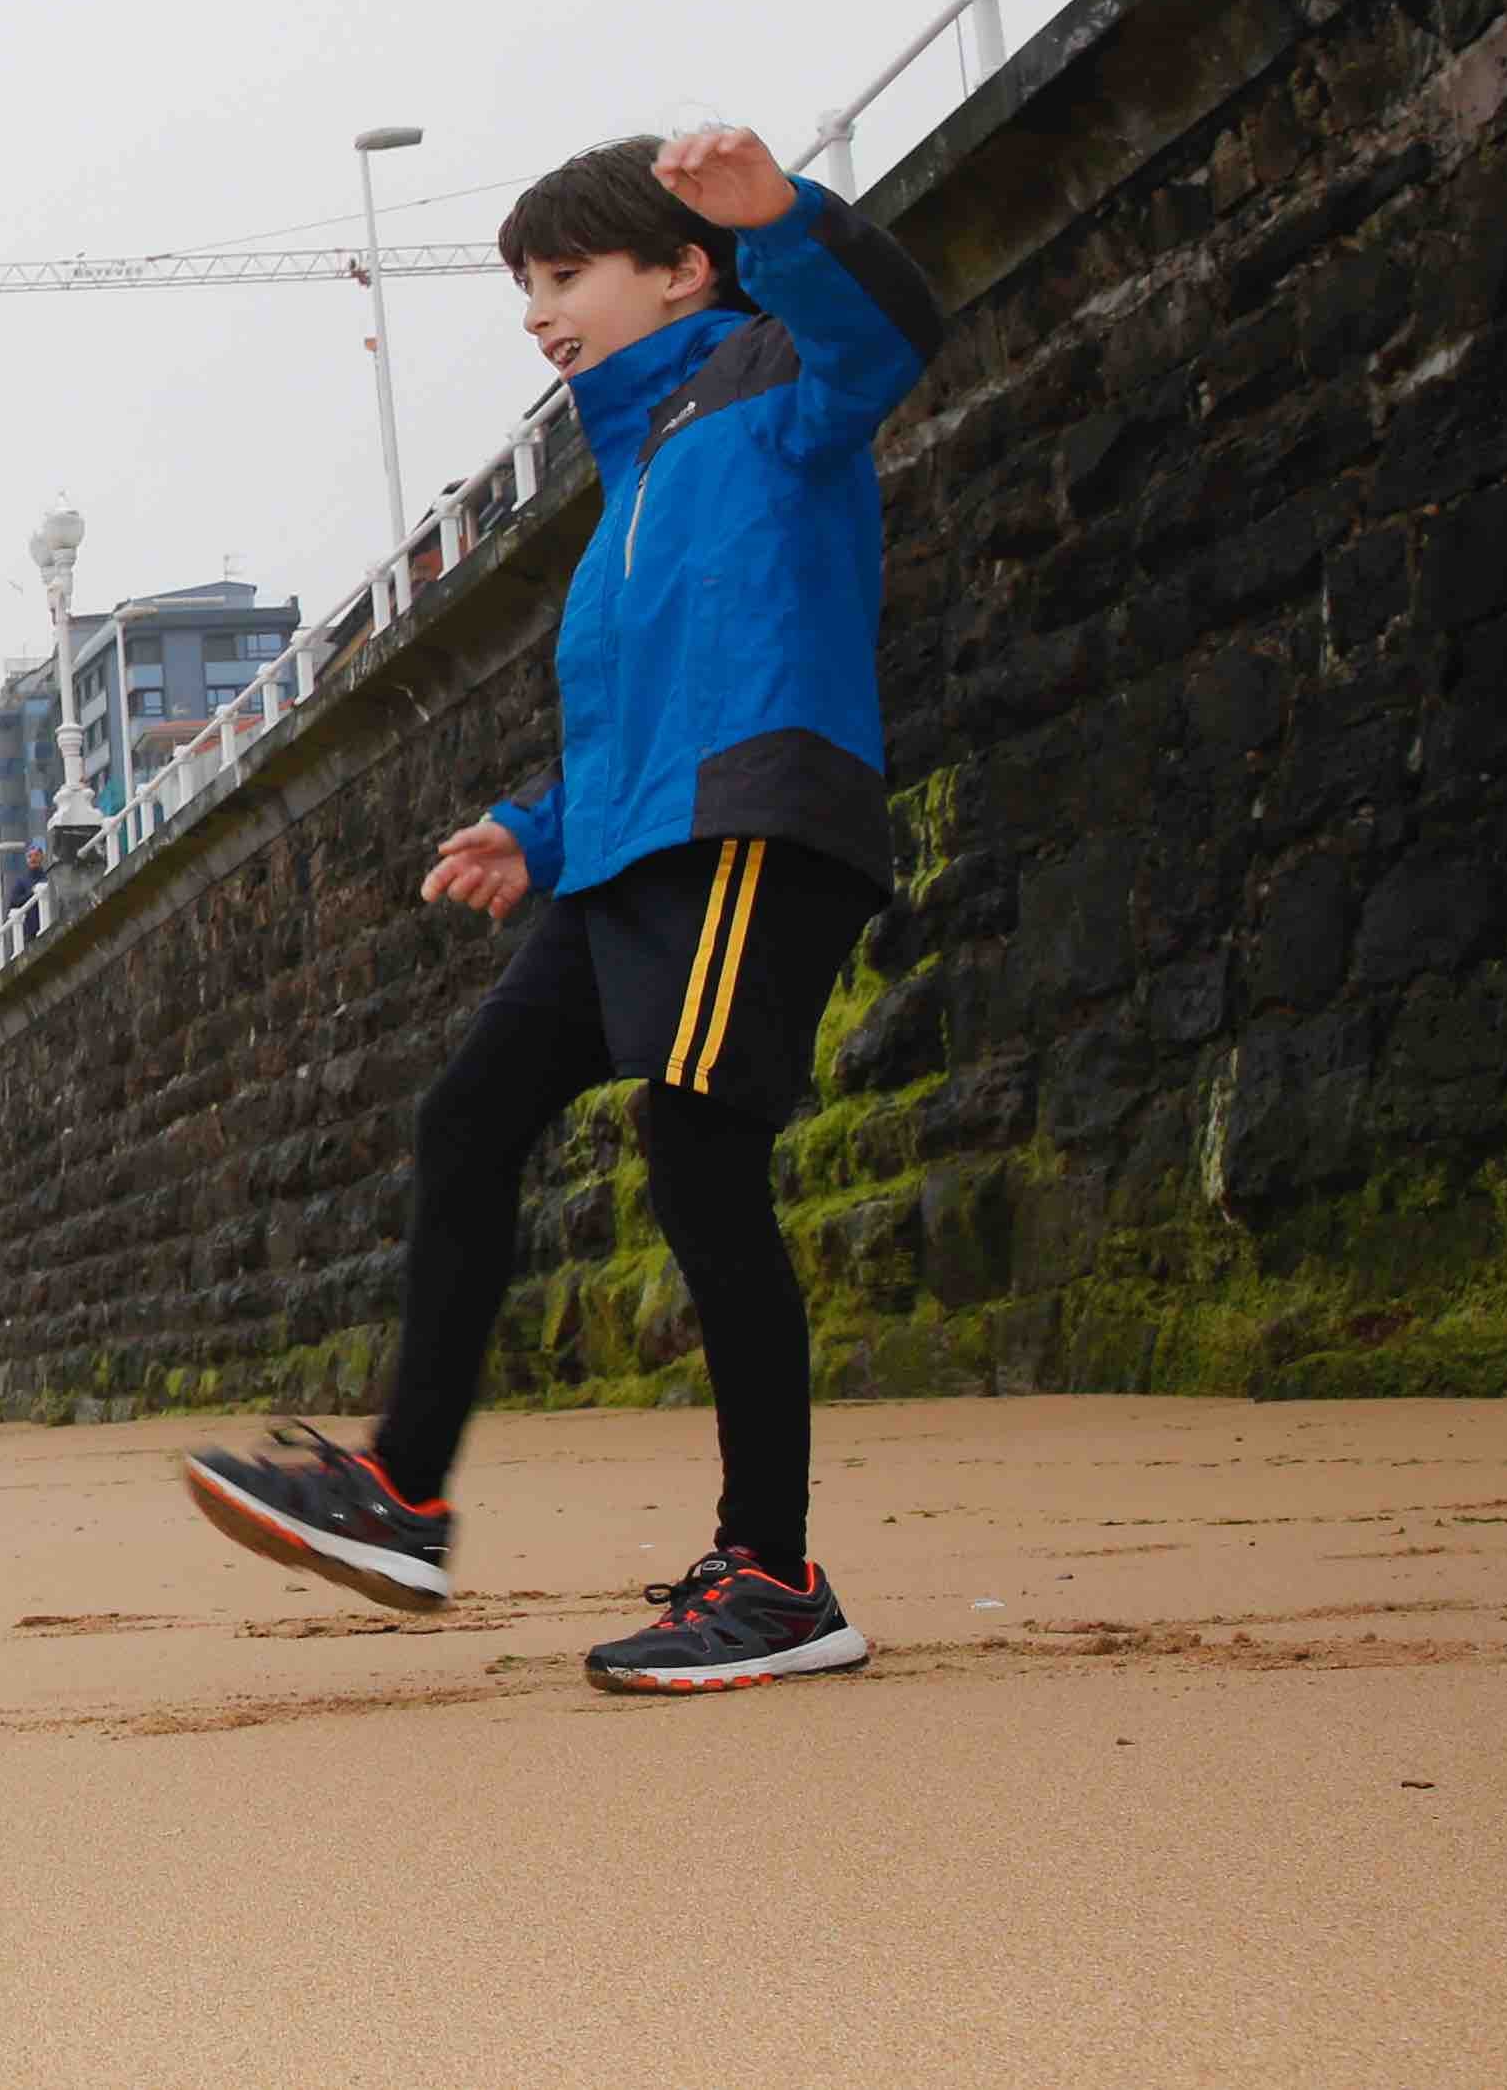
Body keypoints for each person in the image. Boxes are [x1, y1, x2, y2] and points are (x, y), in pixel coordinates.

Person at [180, 124, 945, 1693]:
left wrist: (781, 218)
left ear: (681, 269)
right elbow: (639, 702)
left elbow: (892, 333)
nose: (536, 308)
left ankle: (776, 1578)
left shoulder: (781, 390)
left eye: (565, 271)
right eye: (522, 280)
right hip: (623, 853)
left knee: (696, 1151)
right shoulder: (639, 468)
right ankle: (399, 1490)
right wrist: (535, 830)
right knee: (468, 1116)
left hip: (747, 830)